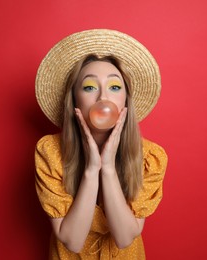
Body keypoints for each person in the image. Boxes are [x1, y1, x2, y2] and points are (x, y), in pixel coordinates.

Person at [34, 29, 168, 259]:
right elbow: (72, 241)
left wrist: (107, 168)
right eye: (89, 87)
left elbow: (125, 238)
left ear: (126, 100)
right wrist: (91, 168)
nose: (102, 99)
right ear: (74, 98)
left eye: (115, 87)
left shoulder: (150, 157)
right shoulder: (50, 152)